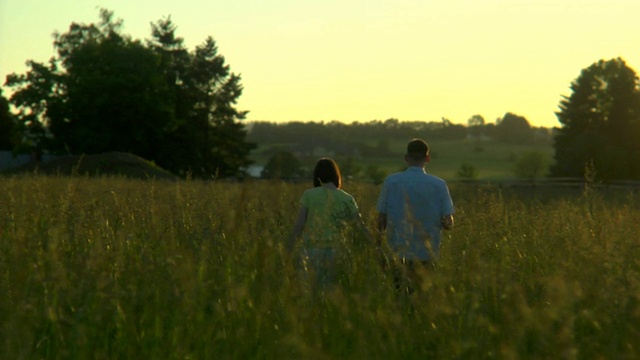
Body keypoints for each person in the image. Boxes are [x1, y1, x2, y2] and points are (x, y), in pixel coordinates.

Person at [376, 138, 454, 294]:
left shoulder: (391, 182)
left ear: (406, 158)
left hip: (398, 251)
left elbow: (381, 219)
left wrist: (378, 247)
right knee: (423, 297)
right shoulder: (439, 185)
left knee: (400, 296)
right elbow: (448, 223)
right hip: (427, 253)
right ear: (427, 158)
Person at [289, 158, 371, 290]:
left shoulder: (309, 195)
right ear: (336, 175)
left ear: (317, 176)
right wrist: (375, 245)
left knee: (311, 291)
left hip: (311, 250)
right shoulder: (347, 198)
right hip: (337, 251)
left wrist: (289, 246)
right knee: (332, 292)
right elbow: (360, 227)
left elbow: (299, 225)